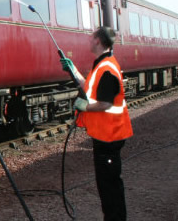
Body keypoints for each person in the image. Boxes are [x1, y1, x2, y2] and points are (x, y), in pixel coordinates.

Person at [60, 26, 133, 221]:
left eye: (91, 38)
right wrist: (73, 70)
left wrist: (83, 106)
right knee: (107, 185)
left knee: (109, 186)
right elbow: (89, 87)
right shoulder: (101, 64)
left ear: (98, 41)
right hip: (104, 135)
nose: (89, 41)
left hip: (110, 137)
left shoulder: (107, 68)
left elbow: (105, 103)